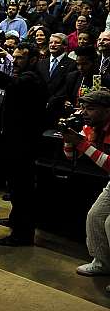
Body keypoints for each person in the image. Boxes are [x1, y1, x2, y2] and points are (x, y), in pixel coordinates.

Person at [0, 42, 48, 246]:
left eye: (20, 58)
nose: (16, 61)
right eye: (14, 56)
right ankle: (15, 220)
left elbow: (9, 84)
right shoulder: (24, 76)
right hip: (15, 140)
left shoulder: (31, 78)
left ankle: (22, 233)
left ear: (33, 59)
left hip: (24, 143)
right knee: (15, 186)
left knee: (22, 189)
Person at [62, 90, 110, 289]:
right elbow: (70, 155)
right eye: (83, 107)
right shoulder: (93, 126)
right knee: (95, 217)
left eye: (90, 109)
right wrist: (68, 137)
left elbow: (108, 164)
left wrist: (80, 143)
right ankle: (102, 263)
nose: (84, 113)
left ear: (107, 111)